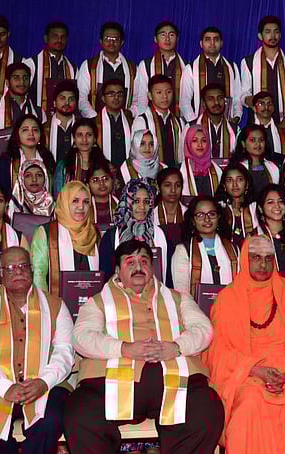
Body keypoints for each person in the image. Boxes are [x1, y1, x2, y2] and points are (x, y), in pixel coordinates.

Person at [64, 239, 224, 453]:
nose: (138, 267)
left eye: (144, 261)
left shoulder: (178, 298)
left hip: (175, 382)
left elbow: (204, 330)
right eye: (130, 262)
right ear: (117, 271)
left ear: (152, 268)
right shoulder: (98, 302)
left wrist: (176, 347)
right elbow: (81, 337)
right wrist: (123, 348)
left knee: (207, 410)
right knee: (80, 414)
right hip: (110, 383)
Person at [207, 235, 285, 453]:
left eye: (268, 258)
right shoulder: (227, 299)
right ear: (245, 261)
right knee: (247, 410)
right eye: (256, 257)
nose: (263, 264)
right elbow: (219, 352)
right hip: (247, 376)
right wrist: (255, 370)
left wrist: (284, 369)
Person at [0, 246, 72, 453]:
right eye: (11, 267)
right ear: (1, 274)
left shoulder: (56, 306)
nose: (18, 271)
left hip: (46, 384)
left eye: (24, 266)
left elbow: (65, 352)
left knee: (49, 422)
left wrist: (44, 382)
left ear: (32, 271)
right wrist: (4, 386)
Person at [99, 178, 173, 285]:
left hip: (155, 298)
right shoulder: (111, 237)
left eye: (146, 202)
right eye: (136, 201)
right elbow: (106, 279)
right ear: (127, 202)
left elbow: (169, 280)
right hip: (120, 299)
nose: (142, 207)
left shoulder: (162, 236)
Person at [31, 181, 100, 295]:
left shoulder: (94, 233)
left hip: (91, 306)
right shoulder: (45, 232)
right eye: (75, 201)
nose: (81, 207)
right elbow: (38, 276)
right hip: (55, 306)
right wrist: (49, 306)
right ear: (64, 202)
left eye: (86, 202)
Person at [170, 196, 238, 295]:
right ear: (193, 220)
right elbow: (182, 295)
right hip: (195, 309)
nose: (207, 219)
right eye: (200, 215)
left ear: (218, 217)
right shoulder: (183, 251)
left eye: (212, 214)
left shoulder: (234, 249)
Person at [240, 16, 285, 127]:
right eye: (268, 32)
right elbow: (244, 93)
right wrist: (251, 101)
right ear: (260, 36)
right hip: (256, 123)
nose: (272, 36)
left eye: (276, 32)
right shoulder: (248, 62)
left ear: (280, 35)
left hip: (284, 122)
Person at [133, 21, 194, 120]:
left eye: (171, 35)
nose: (167, 39)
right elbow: (142, 99)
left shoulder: (187, 67)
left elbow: (188, 100)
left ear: (177, 39)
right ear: (155, 39)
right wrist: (143, 121)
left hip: (179, 120)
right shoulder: (146, 65)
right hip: (152, 119)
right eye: (163, 35)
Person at [77, 22, 136, 118]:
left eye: (115, 39)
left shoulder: (132, 69)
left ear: (122, 42)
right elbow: (81, 98)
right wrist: (95, 118)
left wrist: (129, 114)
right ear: (100, 41)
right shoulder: (88, 66)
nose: (111, 43)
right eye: (107, 38)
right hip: (95, 123)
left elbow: (138, 100)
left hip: (123, 122)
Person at [0, 62, 44, 149]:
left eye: (25, 78)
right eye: (16, 78)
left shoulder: (38, 112)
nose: (22, 82)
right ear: (7, 82)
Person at [189, 27, 242, 124]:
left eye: (216, 39)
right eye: (208, 39)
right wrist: (194, 123)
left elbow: (237, 98)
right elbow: (185, 101)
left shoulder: (232, 67)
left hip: (226, 124)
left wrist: (237, 117)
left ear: (221, 43)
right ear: (201, 44)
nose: (212, 43)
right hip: (199, 127)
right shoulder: (191, 68)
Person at [0, 114, 57, 196]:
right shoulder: (7, 160)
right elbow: (0, 192)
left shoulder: (47, 158)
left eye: (35, 130)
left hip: (44, 208)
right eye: (25, 130)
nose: (31, 133)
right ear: (17, 134)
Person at [131, 75, 186, 167]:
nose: (164, 96)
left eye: (168, 92)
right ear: (150, 96)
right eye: (159, 92)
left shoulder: (179, 122)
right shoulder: (142, 121)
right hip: (150, 173)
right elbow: (137, 153)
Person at [22, 22, 76, 112]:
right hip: (37, 120)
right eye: (55, 36)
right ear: (46, 38)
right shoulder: (31, 64)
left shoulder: (72, 68)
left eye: (63, 37)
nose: (59, 40)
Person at [54, 118, 109, 196]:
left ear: (94, 139)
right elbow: (58, 198)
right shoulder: (63, 167)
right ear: (74, 139)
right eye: (80, 135)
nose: (84, 139)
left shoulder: (105, 166)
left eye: (89, 135)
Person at [230, 125, 279, 198]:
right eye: (253, 140)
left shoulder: (272, 167)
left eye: (261, 140)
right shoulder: (237, 168)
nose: (258, 144)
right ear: (243, 144)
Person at [94, 78, 134, 166]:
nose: (116, 97)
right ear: (103, 98)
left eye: (120, 94)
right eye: (111, 94)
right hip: (103, 171)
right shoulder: (94, 123)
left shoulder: (132, 121)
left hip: (128, 170)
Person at [196, 83, 238, 158]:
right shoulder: (191, 128)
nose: (216, 102)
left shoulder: (235, 129)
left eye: (220, 98)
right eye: (210, 99)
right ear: (204, 104)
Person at [40, 80, 77, 164]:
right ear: (54, 102)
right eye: (62, 98)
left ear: (76, 103)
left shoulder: (84, 129)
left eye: (71, 99)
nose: (67, 103)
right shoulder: (43, 129)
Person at [181, 124, 224, 197]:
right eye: (194, 140)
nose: (200, 145)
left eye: (204, 140)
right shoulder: (179, 170)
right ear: (188, 143)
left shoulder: (218, 171)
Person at [215, 163, 254, 245]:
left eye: (239, 179)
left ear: (247, 184)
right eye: (229, 180)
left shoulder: (256, 209)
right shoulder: (217, 209)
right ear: (224, 186)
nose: (234, 184)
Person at [250, 91, 285, 161]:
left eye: (269, 103)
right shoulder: (246, 133)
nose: (266, 107)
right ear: (254, 108)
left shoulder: (284, 134)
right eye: (261, 104)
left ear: (273, 108)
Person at [87, 160, 118, 230]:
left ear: (112, 181)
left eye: (105, 178)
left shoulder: (121, 205)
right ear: (88, 185)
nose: (101, 183)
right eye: (95, 180)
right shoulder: (84, 207)